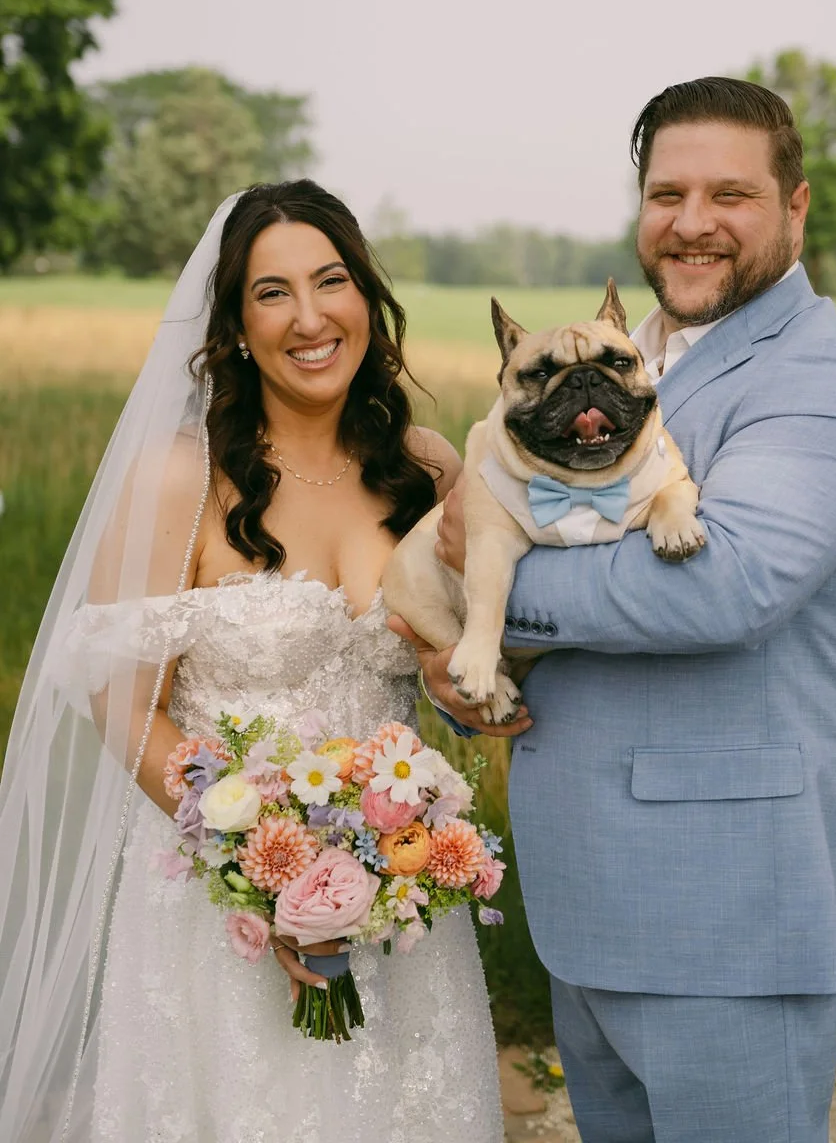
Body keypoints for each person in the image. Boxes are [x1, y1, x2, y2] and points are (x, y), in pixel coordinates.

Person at [403, 77, 836, 1143]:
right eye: (666, 192)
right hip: (585, 902)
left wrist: (484, 571)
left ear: (796, 205)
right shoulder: (611, 364)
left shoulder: (832, 378)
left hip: (728, 912)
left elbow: (725, 585)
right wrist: (458, 658)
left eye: (728, 193)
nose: (690, 223)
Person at [0, 182, 504, 1142]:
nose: (310, 318)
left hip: (400, 902)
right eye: (273, 293)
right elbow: (122, 707)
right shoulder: (181, 479)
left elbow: (463, 671)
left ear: (367, 298)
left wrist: (461, 716)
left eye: (332, 281)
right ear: (233, 324)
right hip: (221, 902)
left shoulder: (427, 468)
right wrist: (271, 878)